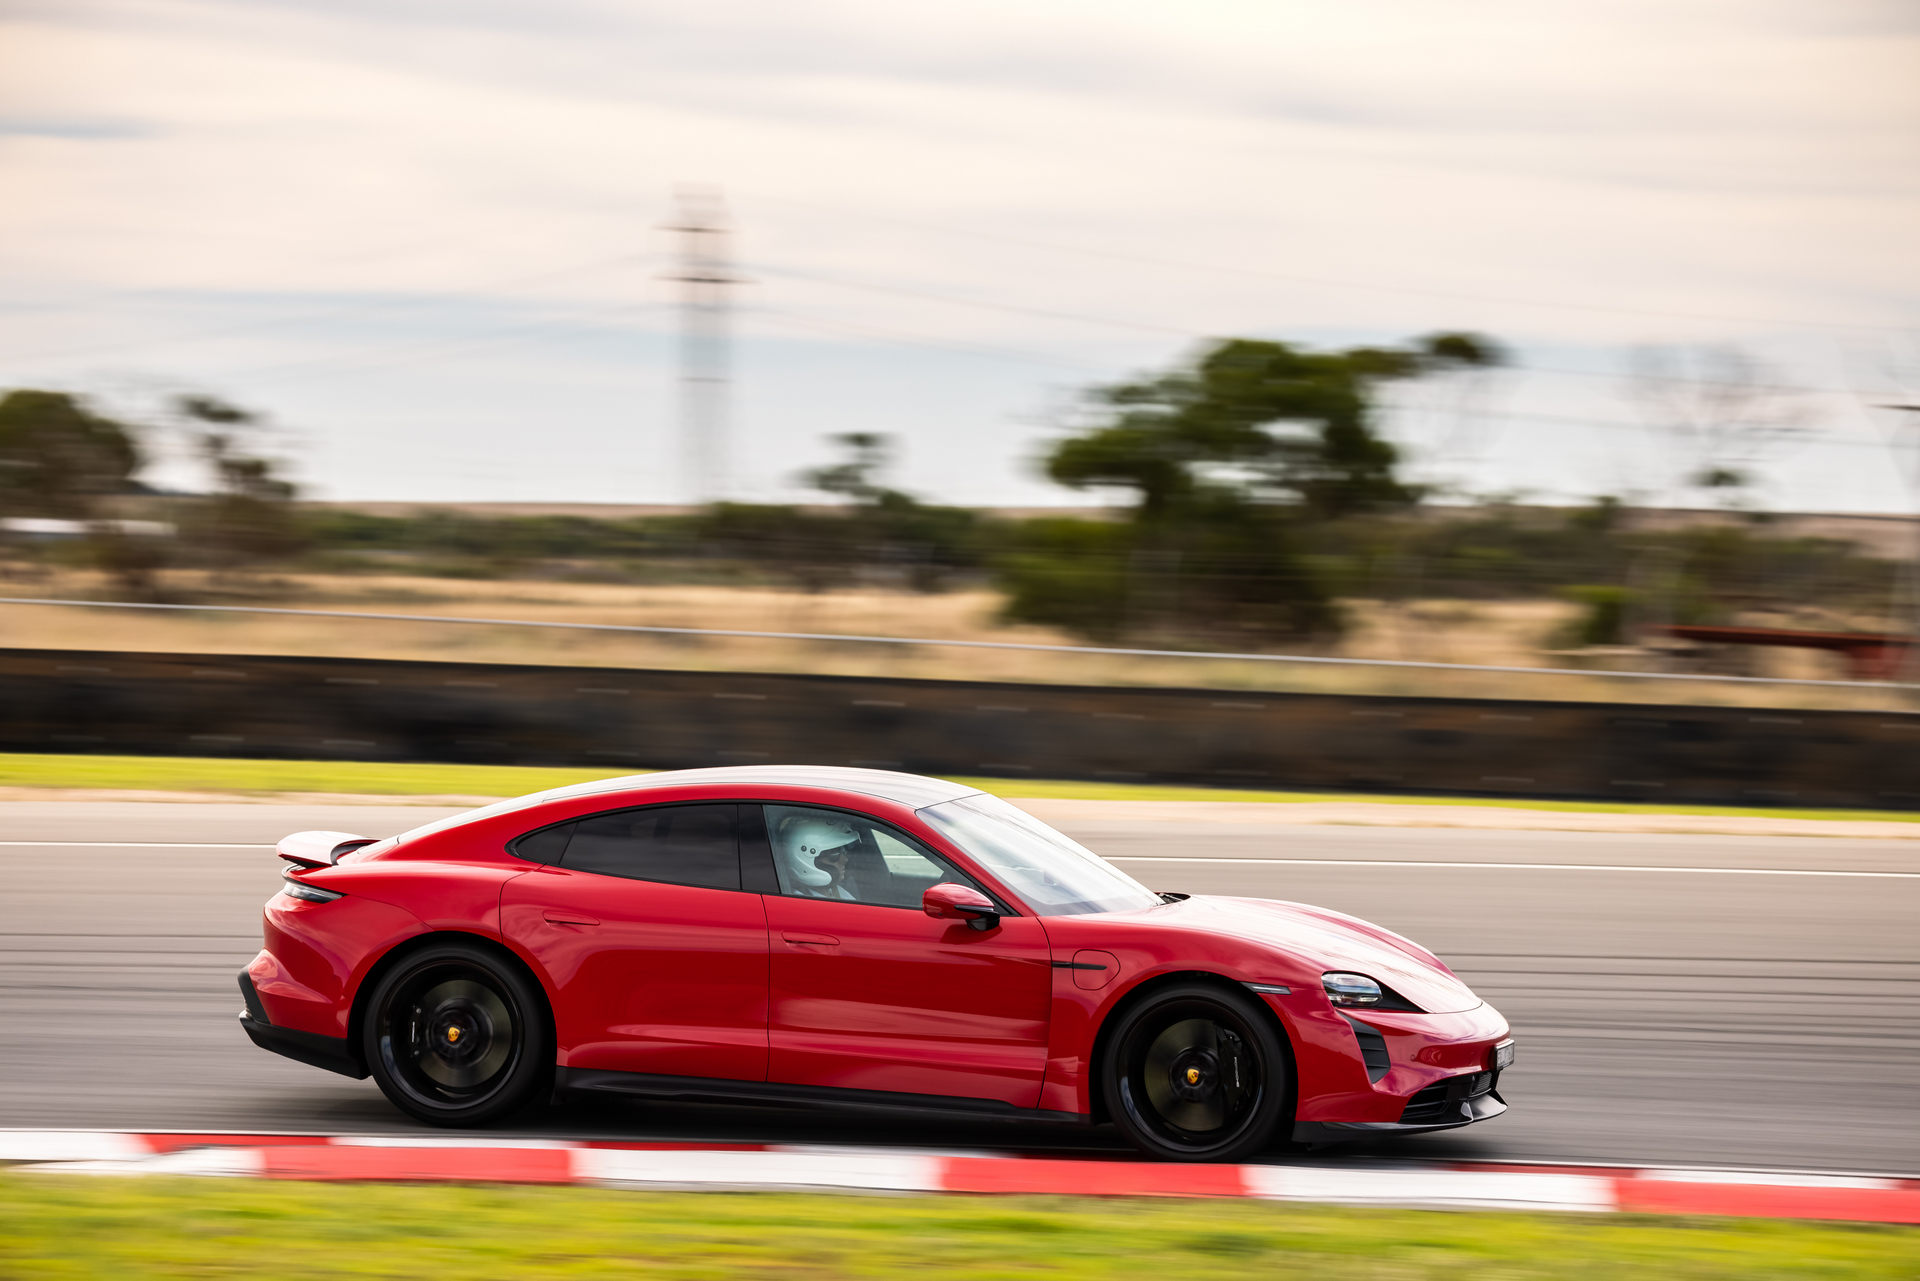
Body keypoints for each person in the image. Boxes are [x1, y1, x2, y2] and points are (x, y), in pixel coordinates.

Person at [775, 814, 861, 900]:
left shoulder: (837, 891)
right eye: (834, 853)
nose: (845, 859)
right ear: (805, 859)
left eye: (844, 851)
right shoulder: (801, 904)